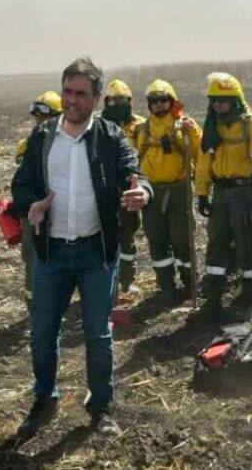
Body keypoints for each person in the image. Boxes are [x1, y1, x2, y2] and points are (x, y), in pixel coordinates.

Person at [10, 57, 151, 439]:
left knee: (98, 336)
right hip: (51, 252)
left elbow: (135, 173)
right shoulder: (42, 138)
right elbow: (21, 184)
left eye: (81, 94)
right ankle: (45, 399)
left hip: (95, 252)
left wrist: (142, 192)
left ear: (97, 98)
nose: (72, 100)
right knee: (42, 333)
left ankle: (101, 406)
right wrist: (30, 205)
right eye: (67, 92)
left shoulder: (110, 137)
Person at [195, 72, 252, 321]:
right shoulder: (213, 125)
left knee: (247, 246)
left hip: (246, 193)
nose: (218, 105)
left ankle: (250, 295)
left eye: (224, 100)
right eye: (214, 101)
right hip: (221, 194)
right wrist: (202, 193)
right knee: (216, 245)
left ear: (236, 100)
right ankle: (214, 298)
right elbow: (204, 163)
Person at [133, 79, 201, 302]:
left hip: (179, 190)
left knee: (182, 240)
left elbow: (200, 155)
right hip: (152, 192)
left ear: (172, 102)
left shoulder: (185, 127)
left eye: (164, 100)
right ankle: (166, 286)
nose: (159, 105)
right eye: (154, 101)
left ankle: (190, 283)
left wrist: (192, 133)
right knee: (157, 240)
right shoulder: (143, 129)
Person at [17, 92, 64, 306]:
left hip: (61, 211)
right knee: (33, 259)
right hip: (34, 213)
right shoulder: (27, 145)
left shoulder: (69, 145)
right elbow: (23, 181)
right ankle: (34, 305)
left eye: (46, 117)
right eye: (38, 118)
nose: (41, 123)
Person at [100, 79, 146, 292]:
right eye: (112, 100)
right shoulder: (98, 125)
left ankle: (126, 281)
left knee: (127, 235)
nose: (117, 104)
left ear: (129, 101)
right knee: (103, 236)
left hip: (128, 188)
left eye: (121, 100)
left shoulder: (141, 126)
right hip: (103, 190)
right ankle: (103, 282)